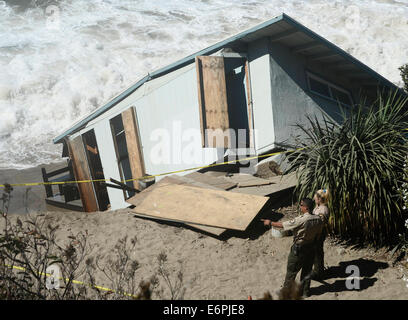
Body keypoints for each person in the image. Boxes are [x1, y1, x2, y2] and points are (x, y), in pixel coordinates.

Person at [262, 198, 323, 298]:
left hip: (299, 249)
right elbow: (318, 234)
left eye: (301, 205)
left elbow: (283, 225)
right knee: (307, 271)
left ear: (306, 208)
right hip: (311, 247)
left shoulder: (302, 219)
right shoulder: (318, 219)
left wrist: (270, 223)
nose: (300, 206)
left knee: (291, 272)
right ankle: (305, 292)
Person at [311, 189, 330, 280]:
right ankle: (319, 270)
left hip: (318, 233)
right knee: (316, 252)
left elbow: (320, 223)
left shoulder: (323, 210)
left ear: (319, 199)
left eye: (315, 197)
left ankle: (318, 273)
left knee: (317, 252)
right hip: (317, 232)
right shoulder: (319, 207)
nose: (314, 199)